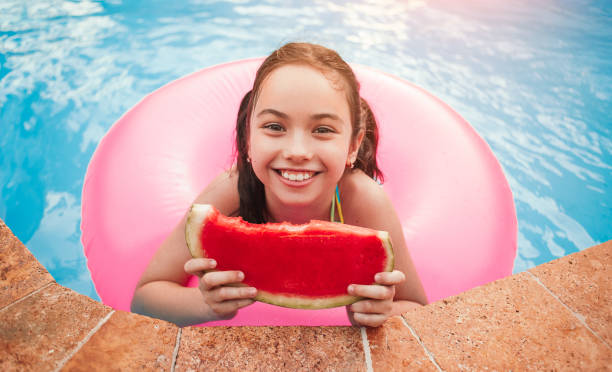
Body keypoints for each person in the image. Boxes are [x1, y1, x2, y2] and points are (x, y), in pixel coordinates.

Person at [131, 42, 428, 327]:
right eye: (275, 127)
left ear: (352, 146)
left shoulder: (363, 200)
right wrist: (203, 304)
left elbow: (415, 308)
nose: (297, 151)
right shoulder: (230, 189)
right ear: (248, 138)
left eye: (323, 130)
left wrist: (381, 313)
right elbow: (145, 298)